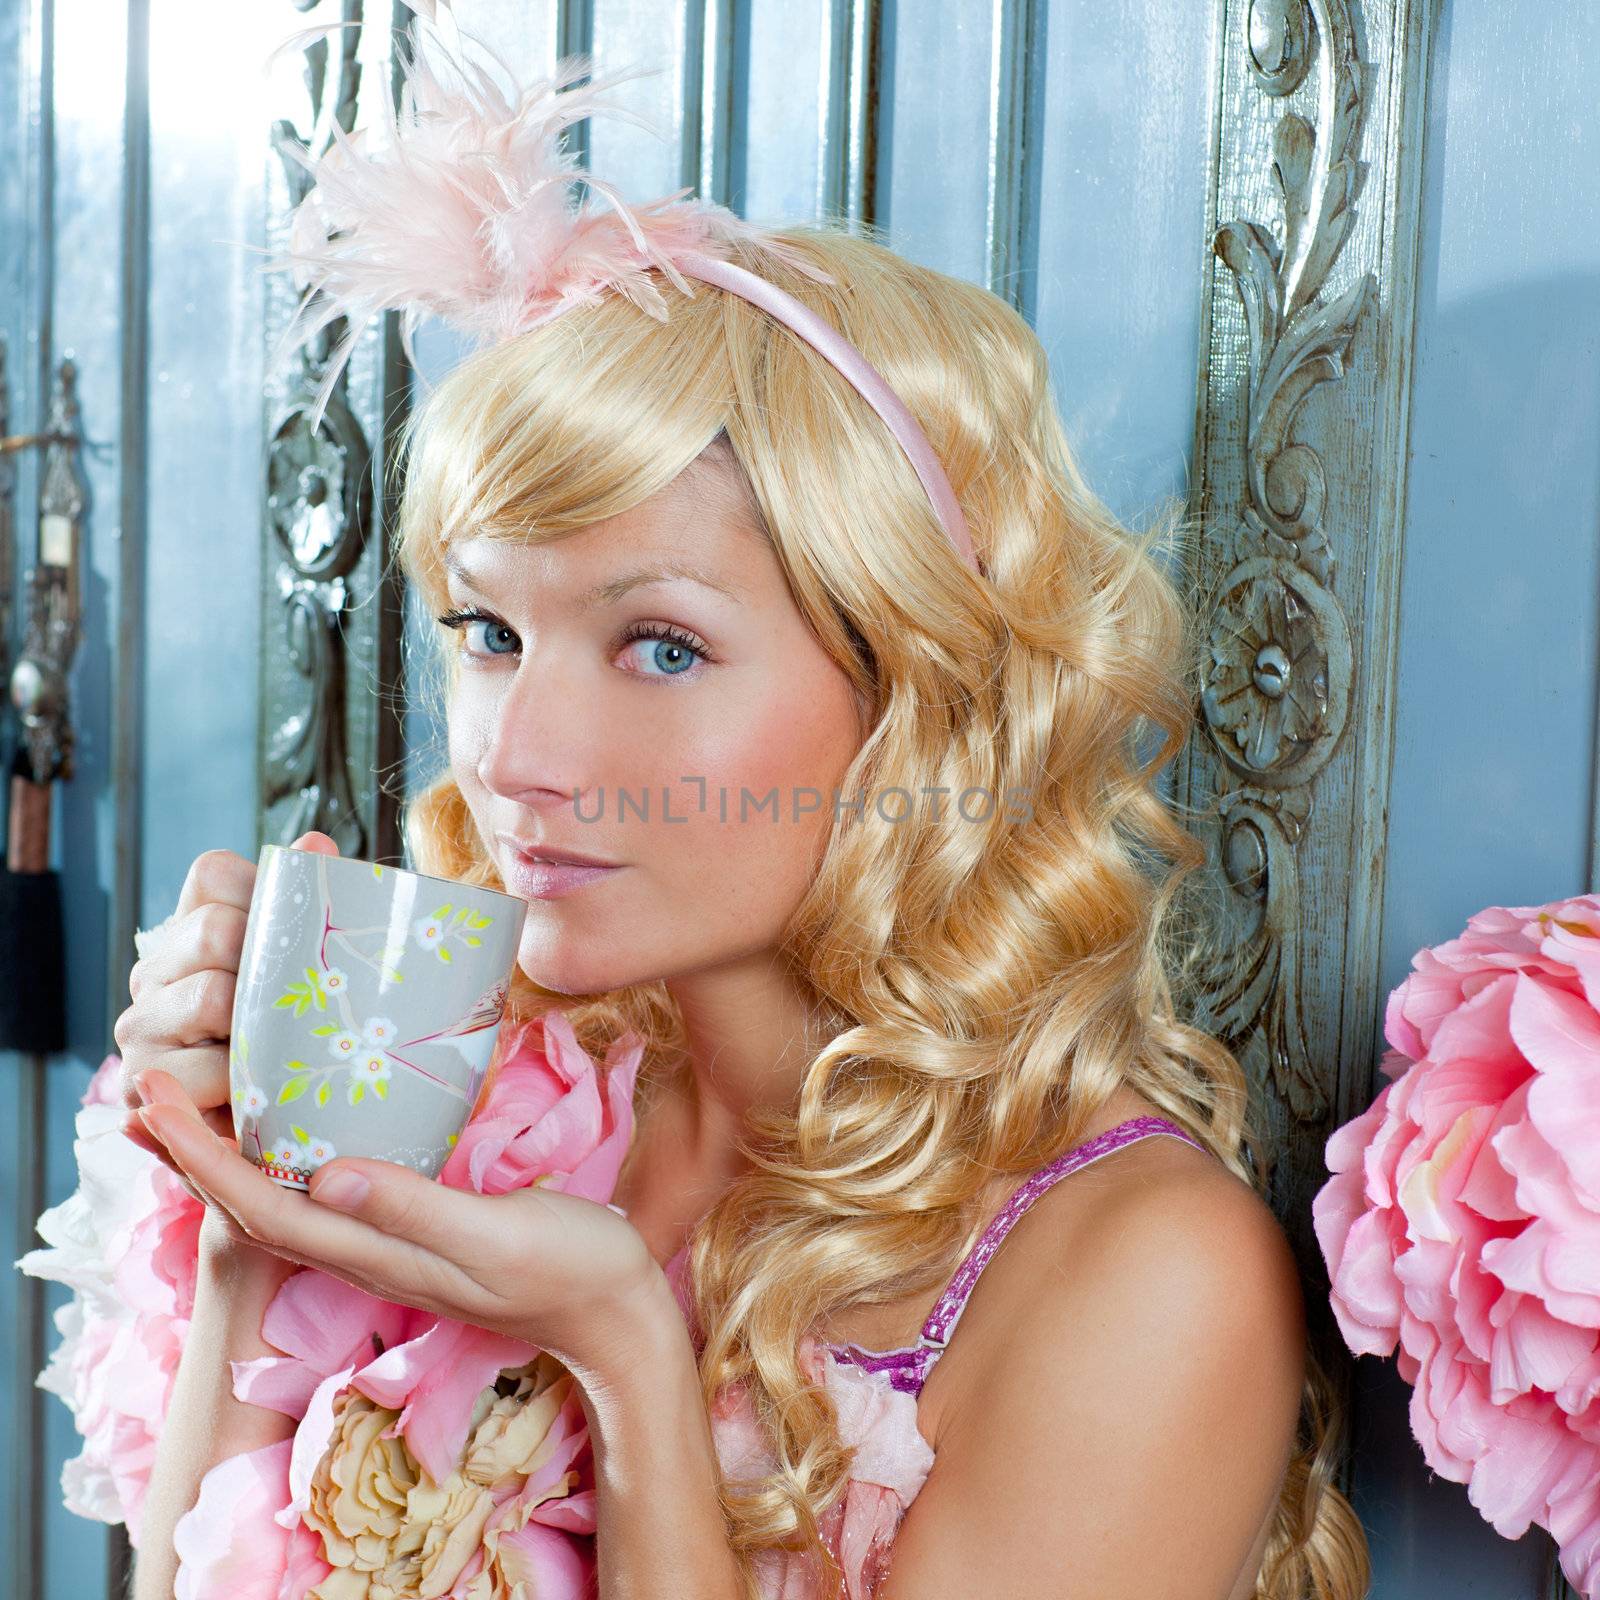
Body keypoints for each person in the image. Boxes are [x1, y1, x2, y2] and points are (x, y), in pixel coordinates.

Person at [107, 24, 1369, 1600]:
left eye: (662, 645)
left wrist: (631, 1358)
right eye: (490, 633)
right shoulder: (481, 1098)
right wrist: (261, 1220)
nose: (513, 757)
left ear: (910, 688)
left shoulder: (1134, 1277)